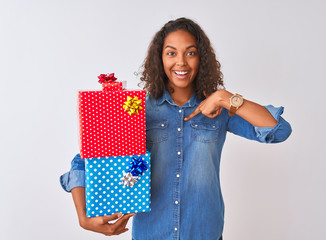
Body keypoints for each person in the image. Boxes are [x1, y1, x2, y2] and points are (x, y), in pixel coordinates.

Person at [60, 17, 292, 240]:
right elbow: (84, 161)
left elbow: (278, 130)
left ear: (201, 58)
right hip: (151, 234)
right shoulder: (136, 109)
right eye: (171, 53)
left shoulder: (219, 108)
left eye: (190, 53)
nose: (181, 62)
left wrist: (224, 97)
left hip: (204, 234)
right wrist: (83, 217)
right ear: (159, 59)